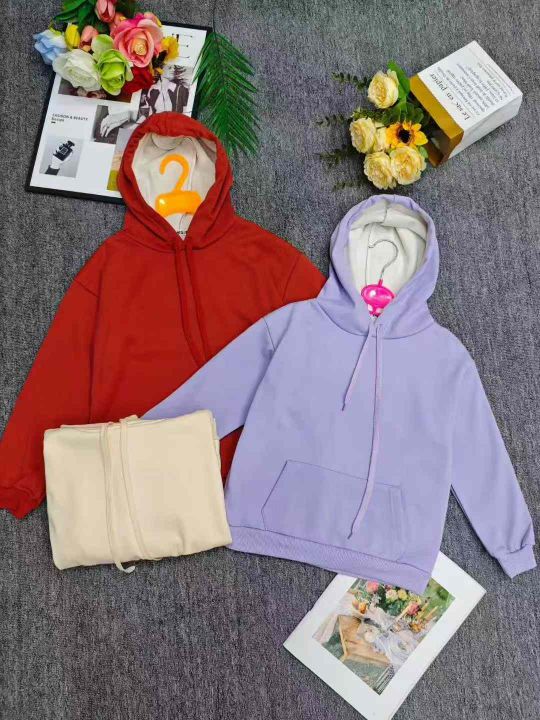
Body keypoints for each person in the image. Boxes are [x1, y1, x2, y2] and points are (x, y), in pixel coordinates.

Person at [99, 65, 190, 138]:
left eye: (174, 68)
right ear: (160, 69)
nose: (173, 69)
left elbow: (186, 117)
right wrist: (130, 126)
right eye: (170, 67)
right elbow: (146, 115)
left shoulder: (181, 90)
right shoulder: (152, 90)